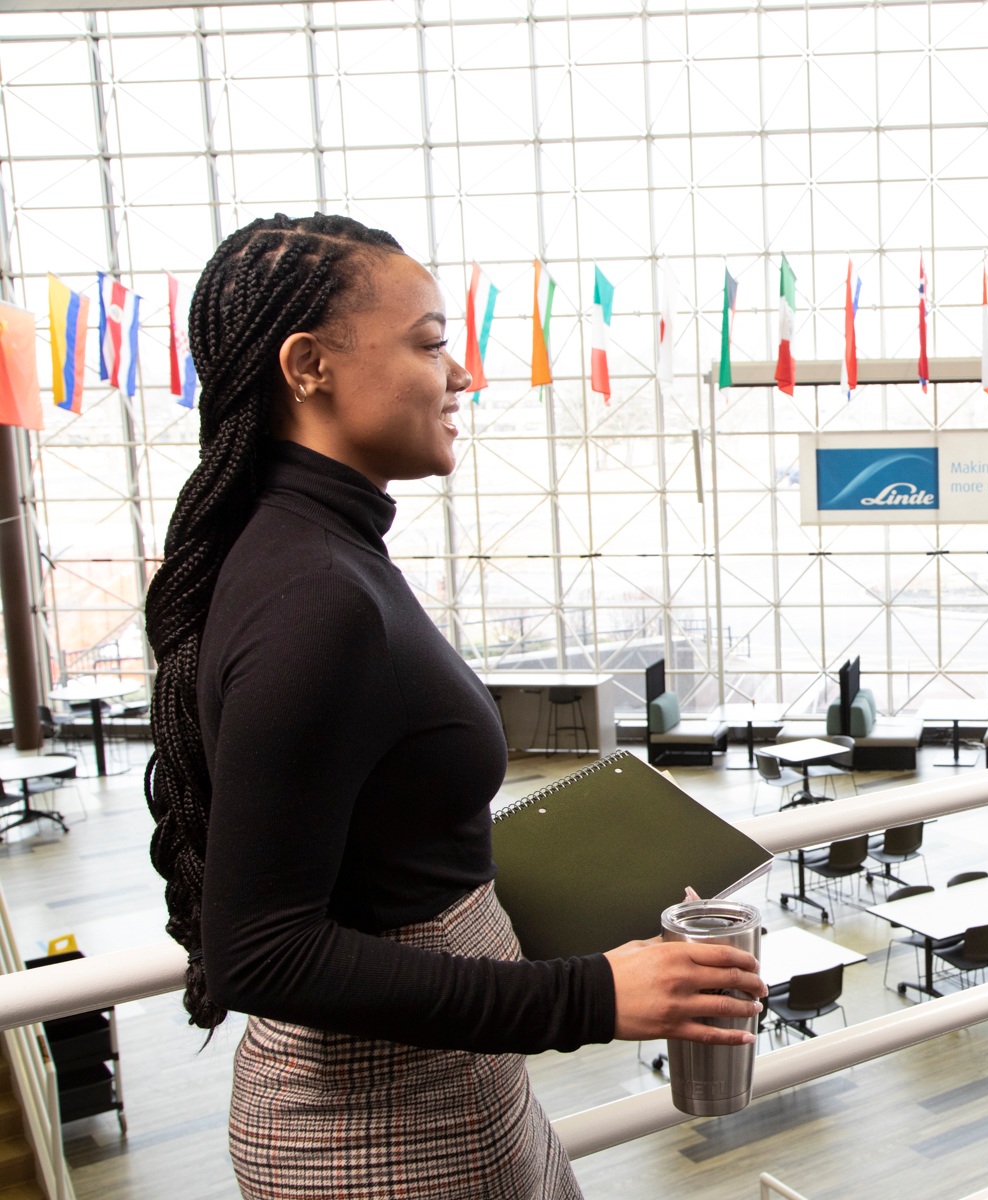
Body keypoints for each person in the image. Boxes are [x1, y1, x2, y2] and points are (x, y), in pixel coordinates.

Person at [143, 213, 765, 1199]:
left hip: (437, 1086)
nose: (461, 374)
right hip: (383, 1122)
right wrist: (592, 995)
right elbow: (260, 952)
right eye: (431, 342)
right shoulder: (316, 595)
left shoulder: (320, 553)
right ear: (308, 366)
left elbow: (372, 844)